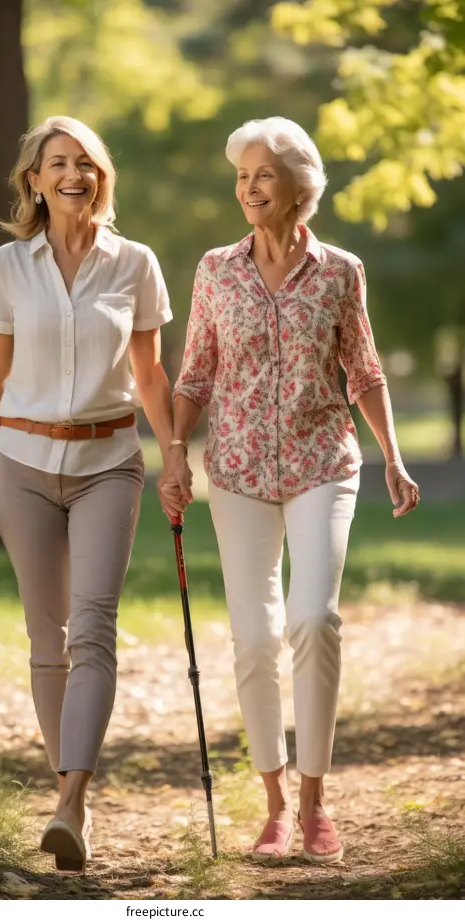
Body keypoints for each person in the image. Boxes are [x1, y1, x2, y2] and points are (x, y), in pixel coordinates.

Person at [161, 117, 420, 865]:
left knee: (314, 618)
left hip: (322, 463)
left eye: (263, 175)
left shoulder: (341, 271)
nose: (248, 188)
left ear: (299, 188)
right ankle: (273, 806)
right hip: (236, 470)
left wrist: (394, 459)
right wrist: (175, 453)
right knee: (252, 636)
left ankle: (315, 802)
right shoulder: (216, 269)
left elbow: (364, 371)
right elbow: (196, 373)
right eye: (241, 176)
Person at [0, 116, 174, 873]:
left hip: (109, 460)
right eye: (58, 163)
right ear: (35, 180)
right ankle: (67, 799)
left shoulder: (135, 262)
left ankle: (71, 804)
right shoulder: (9, 265)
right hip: (20, 460)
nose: (74, 174)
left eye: (86, 162)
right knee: (45, 642)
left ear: (101, 176)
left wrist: (175, 453)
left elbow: (149, 375)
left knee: (93, 630)